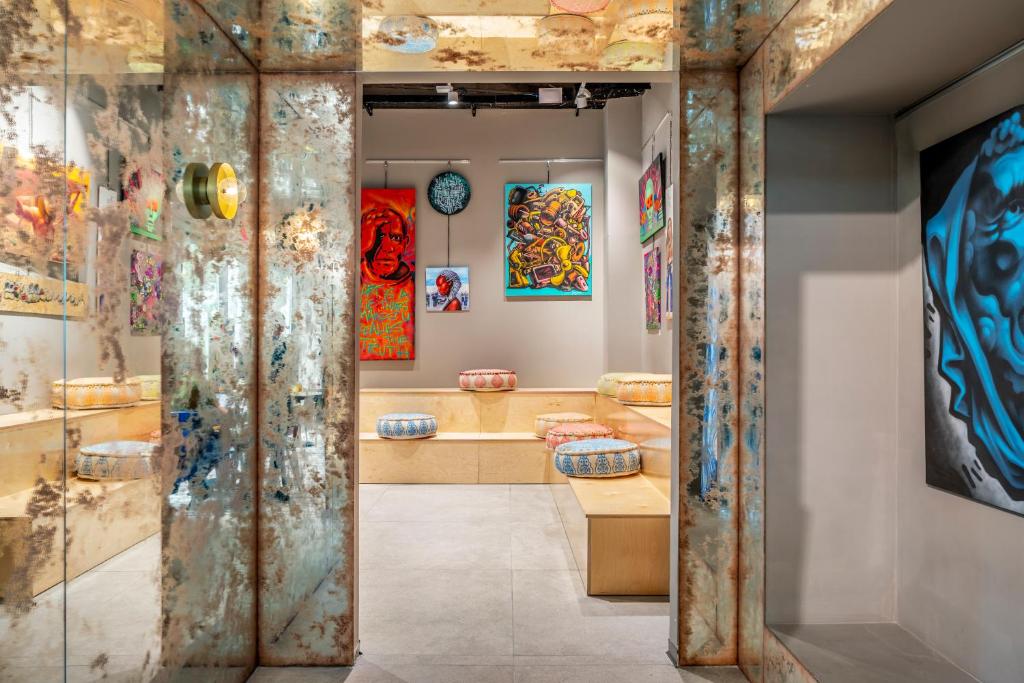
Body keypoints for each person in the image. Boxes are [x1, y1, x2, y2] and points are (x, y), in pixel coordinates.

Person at [361, 206, 412, 284]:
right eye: (377, 237)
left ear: (405, 243)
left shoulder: (413, 281)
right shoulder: (355, 278)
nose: (387, 248)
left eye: (396, 238)